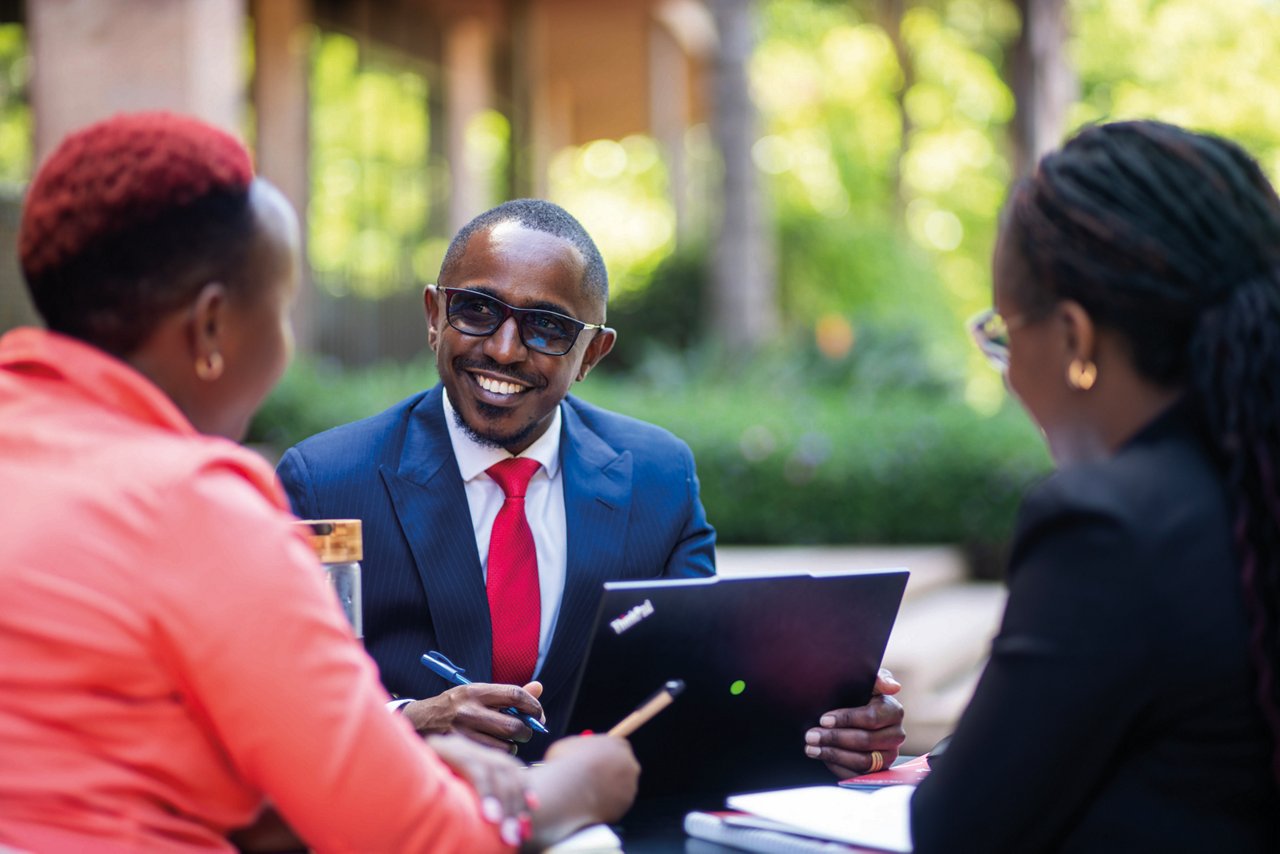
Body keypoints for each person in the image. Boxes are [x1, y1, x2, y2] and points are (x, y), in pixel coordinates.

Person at [0, 111, 639, 853]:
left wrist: (402, 752)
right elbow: (424, 838)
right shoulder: (198, 509)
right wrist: (572, 788)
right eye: (280, 306)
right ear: (212, 329)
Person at [276, 199, 907, 774]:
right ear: (435, 315)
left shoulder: (659, 479)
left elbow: (696, 691)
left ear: (592, 355)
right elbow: (287, 708)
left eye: (546, 329)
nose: (503, 350)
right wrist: (412, 722)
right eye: (476, 309)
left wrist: (832, 729)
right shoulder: (326, 482)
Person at [910, 120, 1280, 851]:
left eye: (1004, 336)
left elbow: (959, 829)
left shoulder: (1109, 529)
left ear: (1076, 340)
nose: (1010, 374)